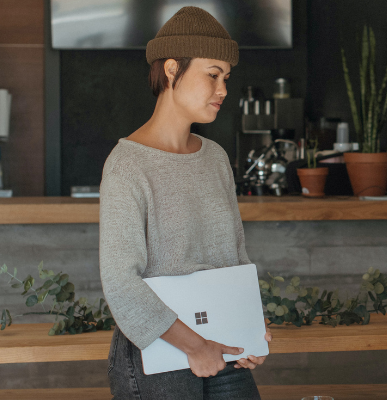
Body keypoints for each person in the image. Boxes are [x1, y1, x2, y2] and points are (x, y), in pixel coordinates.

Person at [99, 7, 270, 399]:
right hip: (157, 353)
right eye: (213, 75)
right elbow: (121, 282)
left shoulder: (215, 158)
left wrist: (251, 326)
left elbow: (235, 259)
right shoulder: (127, 164)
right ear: (173, 69)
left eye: (227, 77)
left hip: (225, 348)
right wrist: (195, 345)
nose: (223, 89)